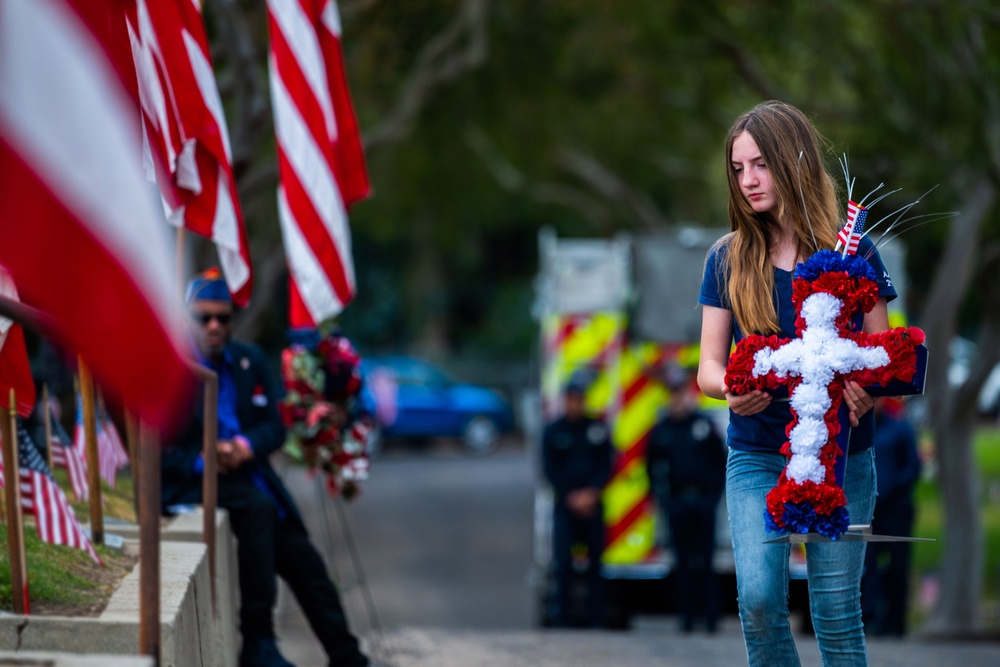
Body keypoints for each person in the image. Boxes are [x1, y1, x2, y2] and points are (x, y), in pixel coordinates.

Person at [697, 101, 896, 666]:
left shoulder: (853, 251)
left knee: (834, 615)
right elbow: (708, 367)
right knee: (759, 603)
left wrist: (870, 386)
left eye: (759, 164)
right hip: (756, 453)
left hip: (843, 457)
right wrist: (727, 391)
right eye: (737, 169)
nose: (748, 180)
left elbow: (884, 356)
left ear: (792, 160)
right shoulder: (726, 259)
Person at [160, 269, 368, 667]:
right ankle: (257, 641)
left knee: (305, 560)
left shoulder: (248, 360)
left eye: (223, 317)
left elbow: (275, 425)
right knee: (257, 510)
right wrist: (208, 458)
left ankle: (348, 656)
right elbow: (159, 450)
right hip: (192, 483)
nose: (216, 326)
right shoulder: (173, 370)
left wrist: (242, 446)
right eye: (204, 318)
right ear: (187, 319)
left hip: (250, 475)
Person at [645, 362, 726, 633]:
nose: (677, 398)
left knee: (705, 561)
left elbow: (720, 463)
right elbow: (651, 467)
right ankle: (687, 618)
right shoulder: (663, 429)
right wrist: (664, 499)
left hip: (703, 502)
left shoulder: (703, 424)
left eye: (680, 392)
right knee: (681, 563)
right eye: (672, 393)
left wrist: (713, 498)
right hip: (677, 503)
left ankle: (710, 618)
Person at [541, 379, 614, 628]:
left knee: (595, 565)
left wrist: (591, 493)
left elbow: (606, 464)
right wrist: (571, 495)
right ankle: (563, 620)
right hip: (566, 507)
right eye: (571, 398)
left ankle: (596, 620)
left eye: (579, 398)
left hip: (592, 506)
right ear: (565, 400)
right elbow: (549, 469)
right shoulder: (554, 431)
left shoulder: (597, 430)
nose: (575, 403)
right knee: (563, 564)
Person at [861, 399, 921, 636]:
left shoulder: (901, 429)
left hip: (896, 511)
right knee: (868, 569)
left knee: (898, 568)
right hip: (868, 513)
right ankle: (871, 619)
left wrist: (891, 492)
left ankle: (896, 622)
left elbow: (912, 467)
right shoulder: (859, 432)